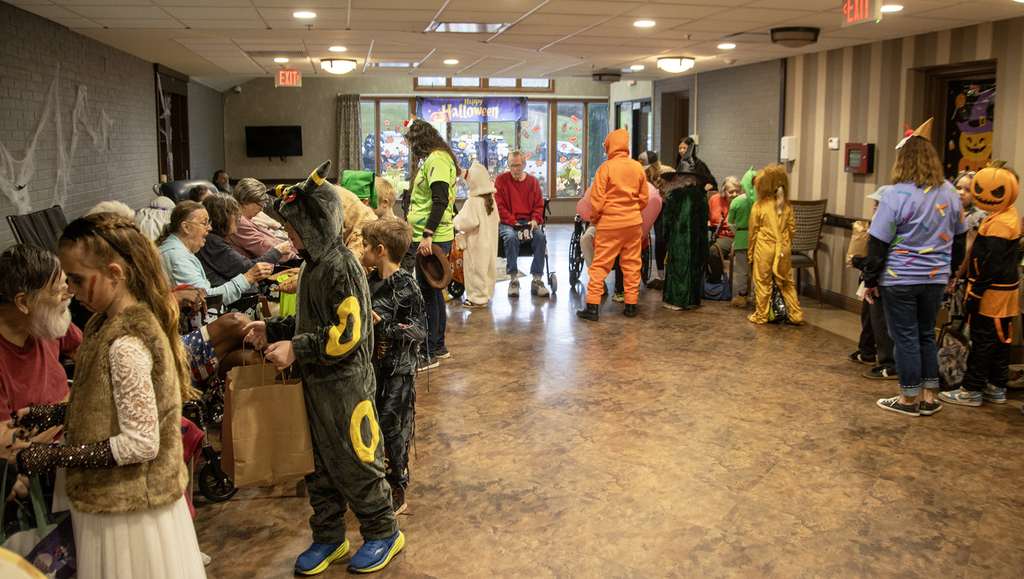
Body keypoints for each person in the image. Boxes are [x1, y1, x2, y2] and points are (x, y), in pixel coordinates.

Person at [7, 213, 205, 578]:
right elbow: (102, 403)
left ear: (115, 273)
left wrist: (53, 456)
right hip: (113, 504)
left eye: (77, 280)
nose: (70, 291)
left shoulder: (126, 344)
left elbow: (141, 443)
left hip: (130, 515)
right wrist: (48, 415)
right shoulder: (102, 325)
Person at [243, 161, 404, 575]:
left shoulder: (341, 266)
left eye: (293, 229)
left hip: (346, 390)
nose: (289, 237)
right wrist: (272, 328)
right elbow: (310, 321)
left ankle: (383, 531)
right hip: (316, 386)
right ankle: (329, 535)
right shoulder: (312, 264)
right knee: (318, 466)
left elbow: (349, 332)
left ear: (315, 224)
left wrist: (297, 349)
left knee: (357, 460)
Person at [862, 118, 967, 417]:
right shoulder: (950, 192)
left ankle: (908, 400)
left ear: (903, 160)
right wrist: (951, 273)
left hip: (899, 279)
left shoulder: (895, 194)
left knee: (906, 338)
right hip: (935, 279)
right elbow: (960, 239)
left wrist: (870, 280)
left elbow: (878, 243)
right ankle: (930, 398)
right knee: (925, 335)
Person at [359, 218, 425, 517]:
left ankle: (397, 490)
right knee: (374, 428)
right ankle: (378, 483)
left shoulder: (407, 285)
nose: (361, 251)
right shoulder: (369, 282)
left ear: (381, 250)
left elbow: (419, 330)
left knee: (394, 431)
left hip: (399, 372)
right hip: (373, 370)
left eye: (365, 246)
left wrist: (383, 325)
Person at [941, 165, 1020, 407]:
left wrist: (975, 293)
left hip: (992, 294)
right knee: (998, 341)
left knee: (983, 341)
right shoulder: (1005, 215)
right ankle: (996, 386)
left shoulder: (1000, 223)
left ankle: (972, 389)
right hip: (1001, 293)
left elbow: (991, 264)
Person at [0, 245, 80, 447]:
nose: (70, 293)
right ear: (23, 303)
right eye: (57, 291)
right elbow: (7, 446)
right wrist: (74, 401)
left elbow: (93, 359)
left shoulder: (47, 320)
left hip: (73, 427)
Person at [403, 119, 459, 369]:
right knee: (434, 291)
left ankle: (428, 353)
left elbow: (440, 201)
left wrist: (427, 235)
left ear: (419, 141)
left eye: (411, 144)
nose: (411, 149)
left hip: (431, 237)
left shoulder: (437, 160)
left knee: (427, 293)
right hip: (431, 235)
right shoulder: (438, 158)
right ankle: (438, 346)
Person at [576, 129, 648, 321]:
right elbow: (644, 199)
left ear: (610, 146)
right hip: (633, 224)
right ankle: (631, 305)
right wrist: (632, 211)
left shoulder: (605, 168)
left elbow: (597, 201)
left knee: (600, 265)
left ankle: (592, 307)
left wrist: (595, 218)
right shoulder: (638, 167)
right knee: (632, 265)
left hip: (609, 225)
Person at [156, 200, 274, 306]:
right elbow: (207, 300)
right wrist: (248, 277)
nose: (209, 228)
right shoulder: (179, 257)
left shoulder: (178, 250)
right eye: (204, 223)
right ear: (186, 227)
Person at [849, 187, 897, 380]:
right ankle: (866, 351)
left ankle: (889, 364)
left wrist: (860, 264)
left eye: (879, 203)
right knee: (868, 316)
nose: (875, 206)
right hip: (872, 276)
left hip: (882, 278)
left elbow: (879, 256)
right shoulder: (878, 221)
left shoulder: (887, 224)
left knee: (880, 321)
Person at [747, 164, 804, 325]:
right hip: (783, 249)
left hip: (764, 249)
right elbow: (791, 229)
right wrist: (785, 245)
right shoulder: (787, 205)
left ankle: (761, 315)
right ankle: (796, 315)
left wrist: (750, 255)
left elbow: (752, 234)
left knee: (762, 282)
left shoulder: (759, 206)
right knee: (786, 283)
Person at [197, 193, 290, 287]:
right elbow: (247, 268)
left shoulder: (214, 239)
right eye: (236, 215)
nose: (239, 219)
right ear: (223, 217)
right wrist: (278, 251)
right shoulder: (212, 241)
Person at [495, 150, 551, 298]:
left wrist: (535, 220)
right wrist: (513, 222)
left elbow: (538, 206)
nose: (515, 169)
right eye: (512, 166)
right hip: (508, 221)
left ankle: (537, 280)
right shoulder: (501, 180)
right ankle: (514, 280)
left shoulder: (532, 182)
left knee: (540, 237)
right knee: (510, 238)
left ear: (524, 164)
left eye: (518, 165)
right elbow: (499, 207)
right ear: (508, 165)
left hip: (528, 221)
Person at [661, 167, 709, 311]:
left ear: (681, 179)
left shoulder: (674, 195)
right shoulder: (701, 196)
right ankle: (691, 300)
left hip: (678, 239)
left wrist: (666, 237)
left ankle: (677, 301)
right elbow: (704, 221)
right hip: (696, 239)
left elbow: (667, 220)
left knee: (677, 268)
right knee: (693, 267)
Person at [452, 161, 499, 307]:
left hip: (476, 243)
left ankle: (477, 299)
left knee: (475, 269)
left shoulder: (473, 202)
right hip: (490, 242)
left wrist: (455, 220)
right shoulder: (491, 200)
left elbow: (466, 222)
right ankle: (486, 294)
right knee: (488, 269)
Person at [942, 170, 987, 318]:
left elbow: (968, 249)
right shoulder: (948, 210)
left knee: (956, 319)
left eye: (968, 190)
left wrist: (955, 275)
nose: (961, 193)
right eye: (958, 188)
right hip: (944, 267)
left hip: (962, 275)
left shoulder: (976, 216)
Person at [228, 178, 299, 262]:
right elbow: (265, 249)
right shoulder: (239, 222)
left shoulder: (244, 220)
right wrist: (296, 259)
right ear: (245, 201)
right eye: (260, 205)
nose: (261, 210)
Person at [638, 151, 670, 289]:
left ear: (655, 165)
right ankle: (660, 275)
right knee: (658, 240)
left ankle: (669, 276)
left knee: (666, 240)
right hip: (656, 207)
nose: (646, 172)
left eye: (648, 169)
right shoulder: (645, 176)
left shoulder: (668, 173)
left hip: (669, 207)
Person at [727, 167, 757, 307]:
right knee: (757, 270)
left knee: (742, 270)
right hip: (757, 239)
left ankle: (742, 296)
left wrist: (737, 232)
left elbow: (729, 223)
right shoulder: (760, 201)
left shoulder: (737, 202)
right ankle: (758, 296)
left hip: (741, 237)